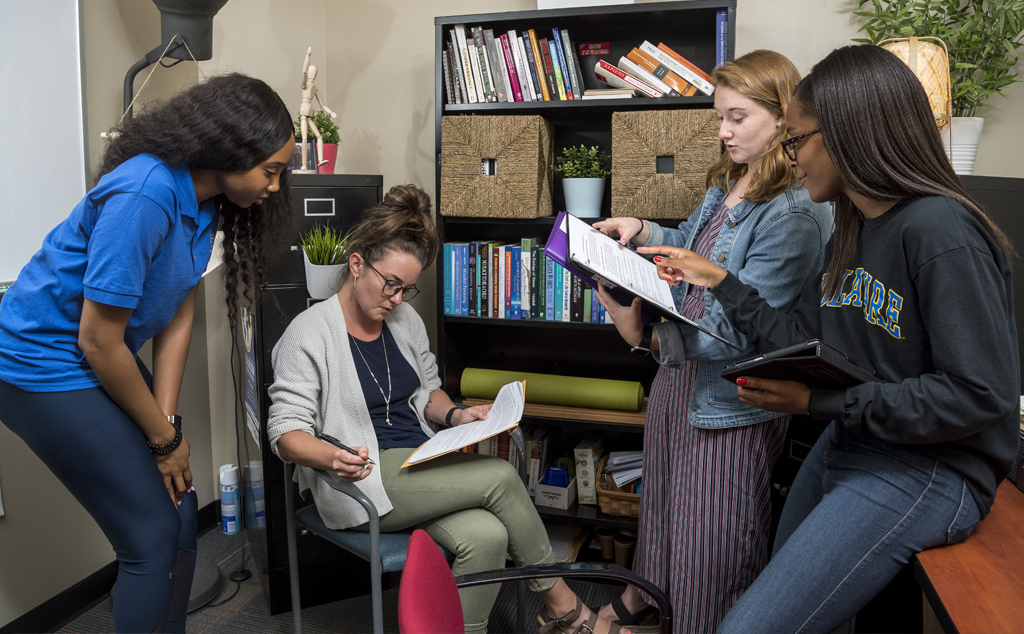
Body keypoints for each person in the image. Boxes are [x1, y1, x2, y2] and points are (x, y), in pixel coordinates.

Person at [645, 45, 1019, 634]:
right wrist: (719, 280)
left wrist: (818, 403)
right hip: (859, 438)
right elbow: (795, 336)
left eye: (795, 140)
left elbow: (978, 396)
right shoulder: (853, 226)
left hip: (932, 467)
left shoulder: (941, 232)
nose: (789, 158)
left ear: (846, 135)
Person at [0, 74, 296, 633]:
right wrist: (164, 441)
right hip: (37, 360)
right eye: (271, 171)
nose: (275, 187)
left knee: (182, 509)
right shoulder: (146, 193)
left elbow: (176, 313)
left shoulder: (207, 203)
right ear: (230, 150)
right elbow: (97, 340)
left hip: (89, 353)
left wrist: (169, 430)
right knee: (150, 539)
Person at [267, 185, 630, 634]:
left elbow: (428, 394)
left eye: (407, 288)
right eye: (391, 284)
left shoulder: (403, 320)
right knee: (499, 476)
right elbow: (285, 431)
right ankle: (563, 606)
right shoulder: (308, 334)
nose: (398, 299)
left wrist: (460, 416)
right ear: (356, 264)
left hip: (419, 462)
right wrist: (331, 456)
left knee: (488, 536)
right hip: (364, 478)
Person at [590, 50, 834, 634]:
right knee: (668, 516)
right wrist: (644, 230)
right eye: (719, 117)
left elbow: (754, 334)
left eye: (738, 117)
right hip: (681, 382)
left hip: (728, 400)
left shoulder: (793, 214)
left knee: (714, 547)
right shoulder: (731, 178)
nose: (723, 131)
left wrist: (644, 336)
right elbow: (699, 248)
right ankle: (648, 603)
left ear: (783, 118)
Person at [298, 46, 337, 171]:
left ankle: (320, 160)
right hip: (304, 112)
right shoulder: (305, 85)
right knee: (304, 138)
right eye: (311, 71)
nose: (313, 74)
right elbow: (303, 72)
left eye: (315, 72)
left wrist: (331, 112)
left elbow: (322, 105)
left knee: (319, 136)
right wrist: (307, 56)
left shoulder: (315, 88)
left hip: (309, 113)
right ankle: (303, 164)